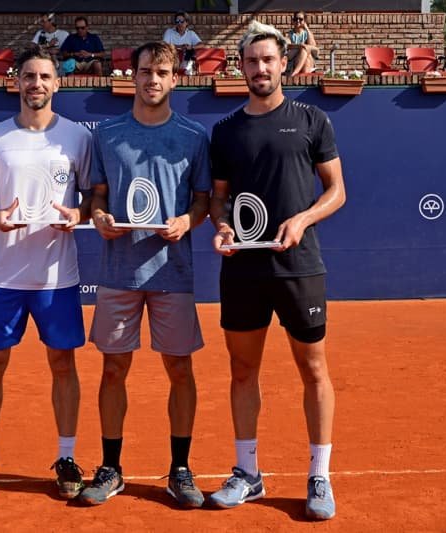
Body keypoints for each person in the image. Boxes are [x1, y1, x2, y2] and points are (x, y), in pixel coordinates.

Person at [207, 21, 346, 520]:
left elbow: (336, 191)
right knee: (242, 370)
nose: (260, 68)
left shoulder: (312, 120)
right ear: (240, 67)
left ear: (283, 63)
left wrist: (303, 217)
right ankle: (248, 473)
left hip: (298, 266)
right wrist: (222, 230)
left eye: (268, 60)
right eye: (251, 61)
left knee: (313, 370)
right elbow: (219, 201)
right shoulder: (224, 131)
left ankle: (319, 476)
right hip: (243, 270)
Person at [79, 41, 210, 509]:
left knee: (179, 368)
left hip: (173, 273)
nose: (152, 80)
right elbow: (96, 196)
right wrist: (98, 217)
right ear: (130, 76)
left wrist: (187, 222)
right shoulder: (107, 134)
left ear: (175, 79)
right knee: (114, 368)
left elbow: (202, 202)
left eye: (161, 72)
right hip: (119, 272)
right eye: (145, 71)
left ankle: (180, 468)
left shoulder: (194, 136)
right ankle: (111, 467)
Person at [0, 45, 93, 504]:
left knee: (63, 364)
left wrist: (78, 213)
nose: (36, 84)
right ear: (16, 82)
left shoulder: (77, 137)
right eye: (29, 76)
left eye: (45, 77)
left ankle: (68, 456)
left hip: (58, 276)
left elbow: (93, 197)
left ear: (58, 83)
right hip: (3, 275)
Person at [286, 11, 319, 76]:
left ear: (304, 21)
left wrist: (306, 28)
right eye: (296, 19)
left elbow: (313, 46)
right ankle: (299, 77)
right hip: (295, 60)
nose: (298, 21)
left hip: (308, 62)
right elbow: (287, 45)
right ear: (293, 21)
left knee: (306, 56)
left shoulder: (307, 33)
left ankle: (295, 74)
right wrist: (300, 46)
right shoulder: (289, 34)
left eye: (300, 19)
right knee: (304, 50)